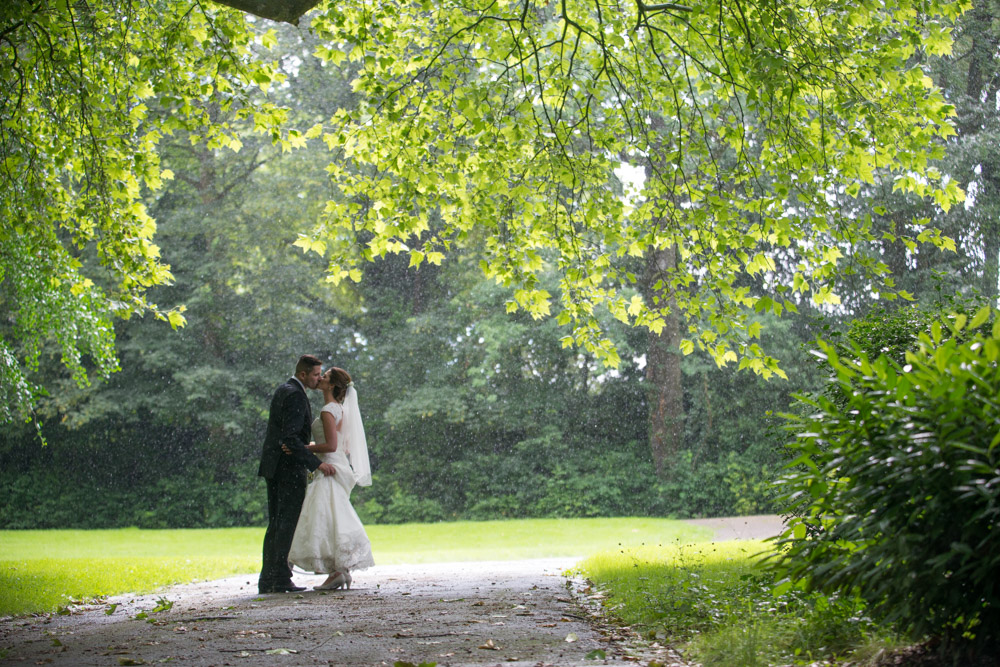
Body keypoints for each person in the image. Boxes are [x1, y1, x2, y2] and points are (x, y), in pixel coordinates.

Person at [287, 367, 374, 590]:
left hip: (330, 467)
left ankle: (337, 571)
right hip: (337, 464)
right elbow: (340, 445)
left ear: (332, 385)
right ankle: (340, 571)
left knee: (326, 516)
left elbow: (332, 446)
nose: (320, 379)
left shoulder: (328, 410)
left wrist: (302, 448)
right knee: (334, 515)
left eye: (324, 377)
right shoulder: (339, 409)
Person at [257, 355, 337, 594]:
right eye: (315, 375)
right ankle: (279, 578)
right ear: (303, 374)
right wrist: (316, 464)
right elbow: (290, 438)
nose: (318, 378)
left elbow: (288, 436)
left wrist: (302, 445)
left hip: (275, 466)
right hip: (287, 468)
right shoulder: (295, 394)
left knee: (276, 523)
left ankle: (269, 578)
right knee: (286, 523)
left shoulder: (285, 389)